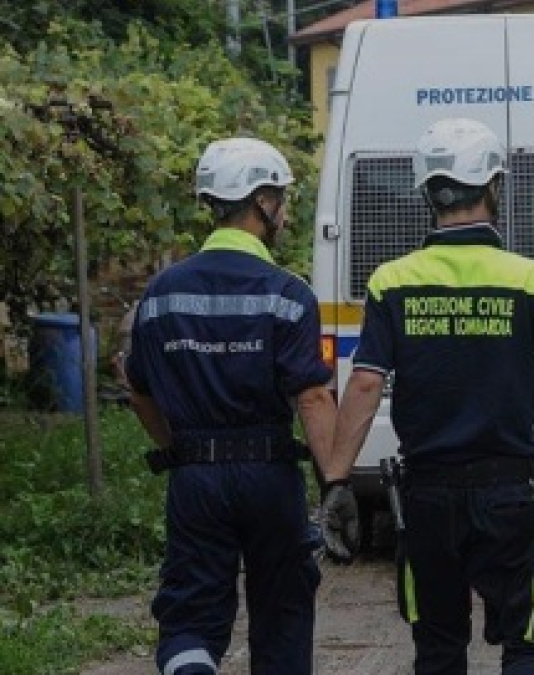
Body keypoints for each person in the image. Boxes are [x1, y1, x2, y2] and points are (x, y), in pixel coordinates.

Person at [319, 117, 534, 674]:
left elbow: (364, 384)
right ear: (494, 186)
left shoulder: (391, 281)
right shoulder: (531, 279)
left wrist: (336, 480)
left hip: (426, 497)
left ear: (427, 191)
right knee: (529, 642)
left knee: (439, 649)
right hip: (510, 494)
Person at [124, 137, 339, 674]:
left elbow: (140, 392)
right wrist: (335, 481)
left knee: (190, 618)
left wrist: (180, 449)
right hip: (270, 476)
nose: (285, 212)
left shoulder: (161, 294)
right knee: (283, 615)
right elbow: (312, 395)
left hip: (196, 479)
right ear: (261, 202)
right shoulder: (288, 295)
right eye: (281, 199)